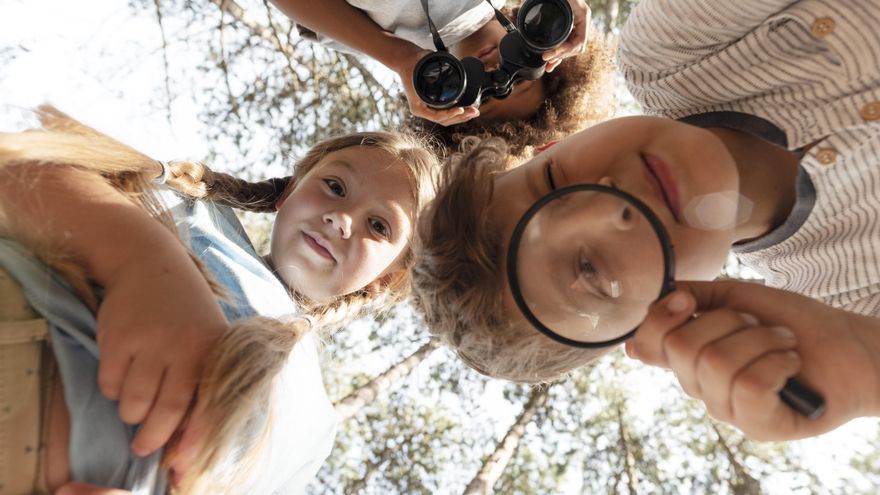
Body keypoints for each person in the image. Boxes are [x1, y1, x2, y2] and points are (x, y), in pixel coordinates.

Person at [411, 0, 880, 442]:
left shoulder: (670, 55)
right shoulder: (850, 303)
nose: (611, 205)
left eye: (553, 181)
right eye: (591, 270)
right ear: (652, 317)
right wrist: (866, 360)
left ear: (551, 148)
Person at [0, 106, 437, 493]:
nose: (341, 219)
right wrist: (140, 259)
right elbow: (18, 167)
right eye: (335, 186)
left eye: (379, 226)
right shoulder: (196, 211)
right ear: (289, 191)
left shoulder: (318, 428)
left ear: (386, 280)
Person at [269, 0, 616, 158]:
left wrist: (399, 57)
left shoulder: (379, 40)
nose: (495, 68)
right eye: (520, 77)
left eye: (488, 94)